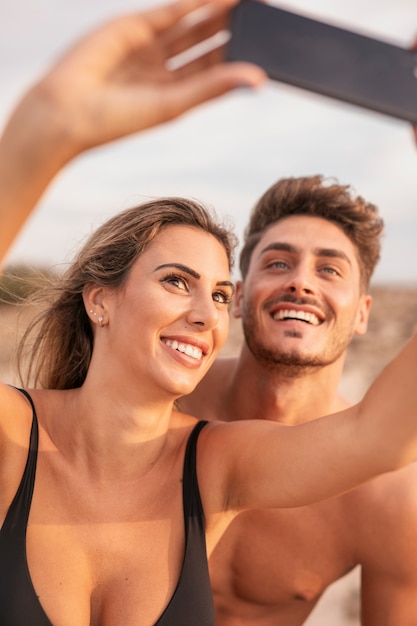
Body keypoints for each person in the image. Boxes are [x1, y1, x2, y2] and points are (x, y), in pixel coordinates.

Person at [1, 2, 417, 625]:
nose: (206, 312)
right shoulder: (13, 438)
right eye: (177, 281)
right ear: (99, 298)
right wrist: (49, 127)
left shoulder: (215, 463)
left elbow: (380, 437)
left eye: (220, 295)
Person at [180, 175, 417, 625]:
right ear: (239, 294)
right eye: (277, 263)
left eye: (329, 269)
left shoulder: (387, 493)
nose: (301, 283)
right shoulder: (164, 406)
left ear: (362, 313)